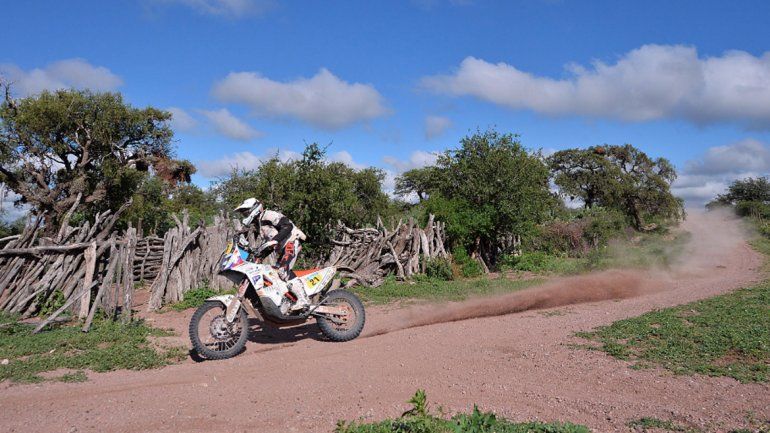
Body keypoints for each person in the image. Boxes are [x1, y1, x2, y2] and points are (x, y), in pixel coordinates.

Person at [234, 198, 309, 310]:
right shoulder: (259, 224)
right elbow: (269, 244)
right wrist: (259, 255)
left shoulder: (269, 215)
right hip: (283, 248)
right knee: (274, 273)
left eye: (246, 212)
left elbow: (287, 226)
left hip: (292, 242)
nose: (245, 215)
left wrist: (275, 240)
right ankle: (287, 301)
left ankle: (303, 300)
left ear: (254, 209)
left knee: (283, 271)